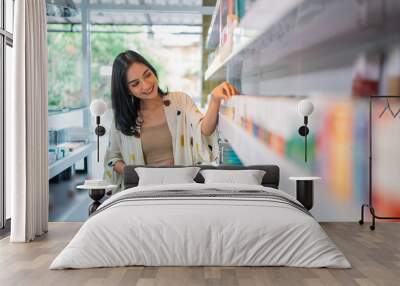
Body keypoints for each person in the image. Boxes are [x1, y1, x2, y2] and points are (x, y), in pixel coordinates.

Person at [103, 50, 239, 192]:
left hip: (182, 188)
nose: (146, 85)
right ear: (127, 90)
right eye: (135, 83)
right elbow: (112, 159)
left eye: (147, 75)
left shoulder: (180, 101)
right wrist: (138, 174)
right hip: (142, 191)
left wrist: (214, 100)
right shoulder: (123, 119)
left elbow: (203, 129)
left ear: (153, 71)